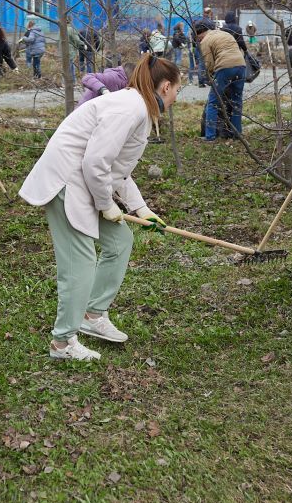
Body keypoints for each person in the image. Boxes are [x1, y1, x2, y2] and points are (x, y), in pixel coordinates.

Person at [18, 54, 180, 361]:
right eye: (177, 91)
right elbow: (96, 162)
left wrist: (141, 208)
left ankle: (92, 316)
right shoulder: (130, 108)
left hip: (87, 181)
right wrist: (106, 204)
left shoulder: (139, 108)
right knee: (78, 264)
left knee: (120, 241)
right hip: (68, 181)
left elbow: (116, 168)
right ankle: (62, 343)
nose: (176, 98)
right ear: (166, 87)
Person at [195, 18, 246, 140]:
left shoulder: (205, 41)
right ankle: (237, 134)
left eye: (197, 37)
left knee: (213, 102)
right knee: (236, 102)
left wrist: (211, 76)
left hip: (224, 67)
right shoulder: (225, 33)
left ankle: (210, 136)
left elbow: (208, 64)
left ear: (200, 33)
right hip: (241, 65)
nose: (198, 40)